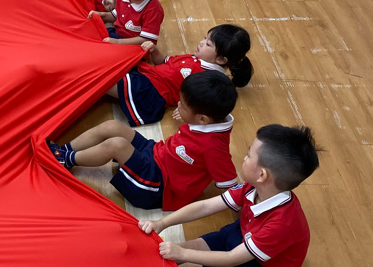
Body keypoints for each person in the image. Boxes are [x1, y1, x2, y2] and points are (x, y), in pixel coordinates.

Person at [140, 125, 319, 267]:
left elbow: (232, 258)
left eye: (248, 155)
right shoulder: (252, 187)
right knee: (183, 247)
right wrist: (162, 223)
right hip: (242, 234)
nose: (244, 158)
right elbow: (205, 206)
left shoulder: (281, 224)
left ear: (262, 175)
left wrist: (183, 255)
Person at [49, 71, 238, 211]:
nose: (178, 104)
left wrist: (240, 200)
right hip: (155, 153)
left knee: (117, 145)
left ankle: (65, 159)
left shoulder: (214, 147)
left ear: (203, 119)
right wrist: (187, 113)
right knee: (112, 126)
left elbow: (230, 182)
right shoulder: (208, 121)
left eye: (183, 105)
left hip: (155, 185)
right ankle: (63, 150)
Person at [113, 24, 252, 126]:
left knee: (107, 79)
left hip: (149, 90)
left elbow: (208, 108)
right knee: (116, 51)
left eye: (208, 44)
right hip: (147, 73)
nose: (201, 43)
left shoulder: (210, 80)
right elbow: (164, 61)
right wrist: (154, 51)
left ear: (221, 60)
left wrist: (186, 111)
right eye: (204, 38)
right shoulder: (195, 58)